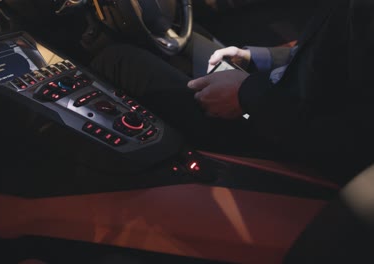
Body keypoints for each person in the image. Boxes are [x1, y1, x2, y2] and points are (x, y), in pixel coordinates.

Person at [90, 0, 374, 184]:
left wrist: (245, 96)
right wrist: (253, 57)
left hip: (286, 139)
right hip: (279, 98)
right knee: (192, 41)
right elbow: (328, 54)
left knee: (117, 62)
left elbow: (352, 138)